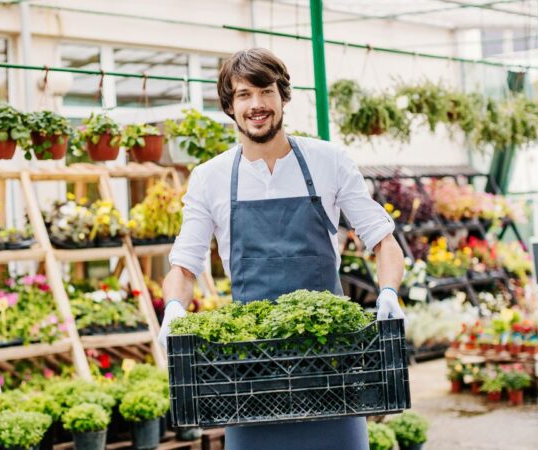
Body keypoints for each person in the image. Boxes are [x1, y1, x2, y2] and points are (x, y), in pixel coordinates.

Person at [159, 48, 406, 450]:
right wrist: (173, 310)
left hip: (332, 367)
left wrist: (390, 293)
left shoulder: (330, 161)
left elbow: (383, 240)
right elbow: (184, 267)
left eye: (265, 91)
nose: (256, 105)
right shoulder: (210, 178)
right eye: (243, 95)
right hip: (250, 375)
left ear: (283, 96)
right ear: (229, 106)